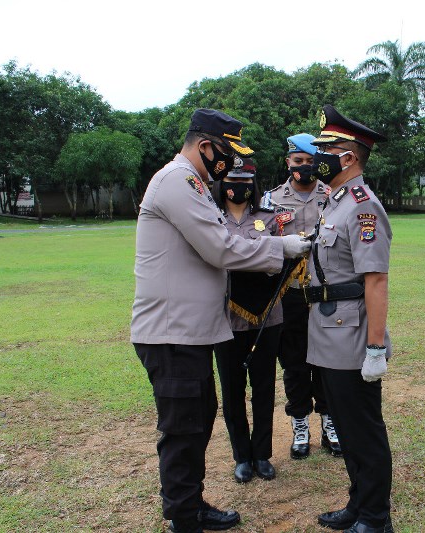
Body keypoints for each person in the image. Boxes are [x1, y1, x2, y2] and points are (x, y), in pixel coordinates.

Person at [131, 109, 310, 533]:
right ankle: (183, 518)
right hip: (172, 332)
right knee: (182, 428)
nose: (231, 164)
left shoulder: (190, 183)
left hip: (189, 332)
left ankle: (190, 505)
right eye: (227, 154)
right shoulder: (178, 182)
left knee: (196, 420)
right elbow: (220, 247)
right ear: (206, 147)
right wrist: (280, 248)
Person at [305, 104, 393, 533]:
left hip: (351, 336)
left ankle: (376, 518)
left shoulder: (362, 206)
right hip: (327, 332)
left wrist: (375, 348)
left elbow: (375, 281)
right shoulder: (335, 202)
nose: (317, 156)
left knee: (363, 431)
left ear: (349, 157)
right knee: (346, 427)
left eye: (326, 148)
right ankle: (358, 504)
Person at [262, 133, 342, 460]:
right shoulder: (271, 200)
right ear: (288, 162)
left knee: (327, 362)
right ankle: (300, 426)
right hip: (290, 294)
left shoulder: (333, 195)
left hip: (325, 292)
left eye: (311, 161)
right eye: (299, 161)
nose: (305, 167)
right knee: (294, 364)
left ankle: (329, 423)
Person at [211, 157, 291, 484]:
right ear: (222, 183)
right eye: (233, 179)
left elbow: (280, 260)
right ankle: (241, 456)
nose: (239, 186)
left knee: (264, 387)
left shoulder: (269, 218)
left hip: (267, 317)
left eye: (245, 180)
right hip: (224, 318)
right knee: (232, 390)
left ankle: (262, 454)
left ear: (253, 184)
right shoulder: (210, 218)